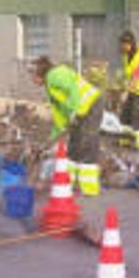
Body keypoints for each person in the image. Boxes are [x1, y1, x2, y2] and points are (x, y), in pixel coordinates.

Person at [31, 56, 102, 196]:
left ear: (39, 73)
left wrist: (74, 111)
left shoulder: (55, 74)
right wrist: (53, 138)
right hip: (81, 110)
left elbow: (73, 89)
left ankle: (89, 189)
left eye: (33, 75)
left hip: (91, 104)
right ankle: (71, 183)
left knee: (86, 144)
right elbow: (59, 114)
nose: (32, 80)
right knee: (74, 145)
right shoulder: (50, 85)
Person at [119, 31, 139, 151]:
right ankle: (126, 140)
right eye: (121, 44)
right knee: (125, 115)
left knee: (137, 117)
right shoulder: (126, 56)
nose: (122, 47)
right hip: (131, 90)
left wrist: (126, 92)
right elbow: (127, 74)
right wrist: (122, 86)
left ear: (131, 43)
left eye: (125, 44)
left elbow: (136, 76)